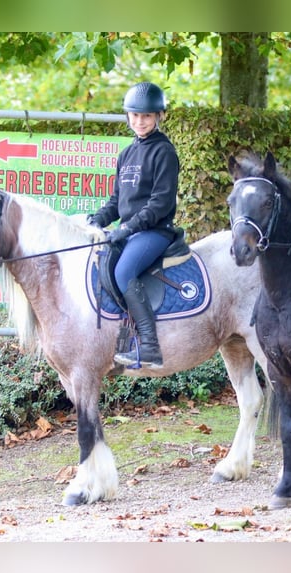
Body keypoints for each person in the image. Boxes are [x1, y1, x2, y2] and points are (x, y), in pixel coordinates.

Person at [87, 82, 179, 369]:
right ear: (128, 116)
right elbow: (117, 201)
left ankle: (150, 346)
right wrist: (97, 220)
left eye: (147, 116)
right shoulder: (126, 155)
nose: (140, 121)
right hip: (132, 232)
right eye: (135, 116)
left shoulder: (164, 152)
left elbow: (160, 202)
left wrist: (127, 229)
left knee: (124, 269)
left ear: (159, 116)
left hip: (155, 231)